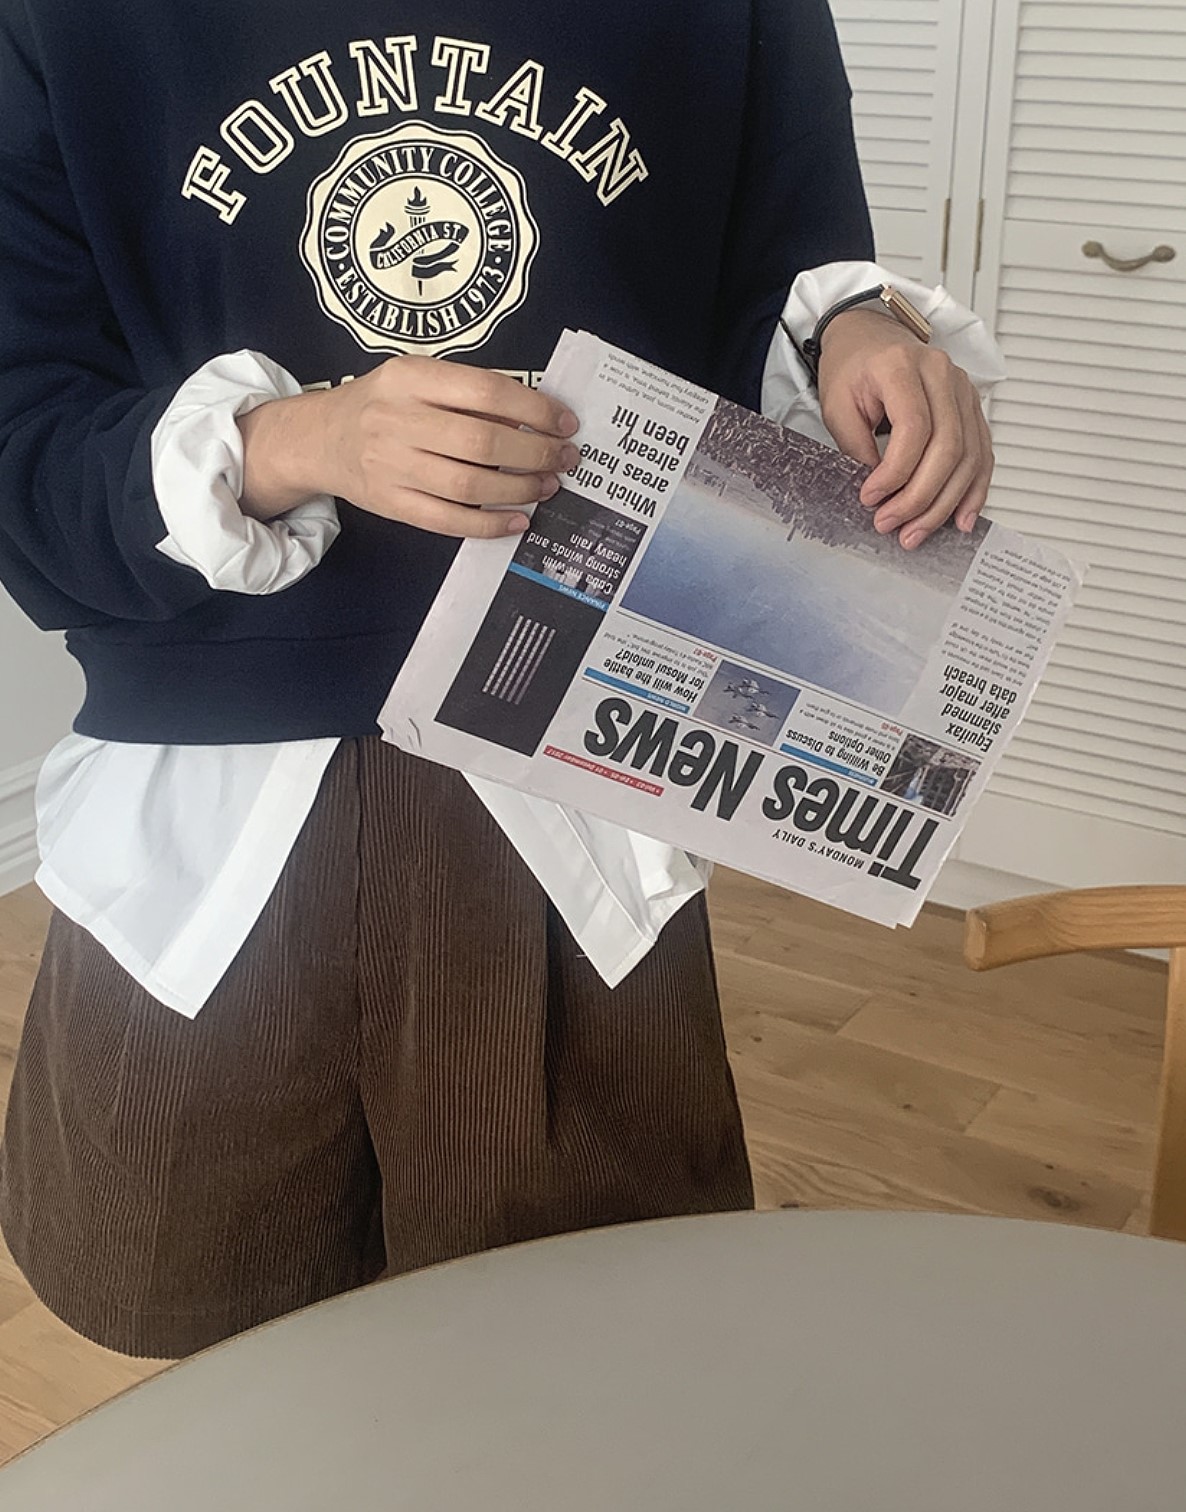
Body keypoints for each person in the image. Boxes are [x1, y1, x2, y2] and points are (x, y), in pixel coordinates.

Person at [0, 0, 996, 1358]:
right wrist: (297, 440)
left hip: (583, 762)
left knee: (573, 1370)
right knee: (221, 1363)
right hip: (209, 823)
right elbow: (28, 446)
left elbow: (789, 270)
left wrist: (864, 335)